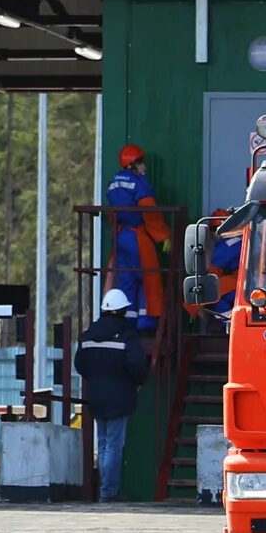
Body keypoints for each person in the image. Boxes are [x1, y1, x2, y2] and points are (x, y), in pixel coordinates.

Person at [72, 289, 153, 499]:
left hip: (96, 396)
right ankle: (108, 492)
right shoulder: (127, 335)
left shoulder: (89, 335)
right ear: (123, 310)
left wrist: (96, 379)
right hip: (120, 396)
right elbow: (136, 364)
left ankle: (105, 490)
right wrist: (138, 381)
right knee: (114, 446)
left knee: (103, 444)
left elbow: (79, 364)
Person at [106, 145, 168, 313]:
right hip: (137, 237)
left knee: (126, 279)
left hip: (120, 237)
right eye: (141, 163)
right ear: (133, 164)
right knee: (149, 277)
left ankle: (128, 318)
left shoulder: (114, 182)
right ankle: (147, 319)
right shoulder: (139, 182)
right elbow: (149, 211)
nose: (144, 167)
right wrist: (162, 236)